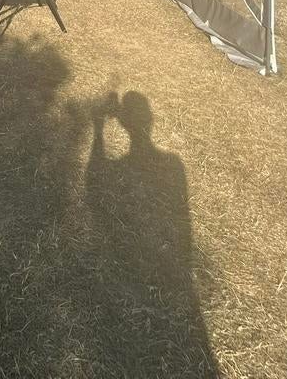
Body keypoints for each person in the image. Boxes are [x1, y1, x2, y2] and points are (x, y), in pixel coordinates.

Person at [86, 91, 220, 377]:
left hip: (141, 280)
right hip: (174, 281)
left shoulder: (168, 166)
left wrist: (98, 130)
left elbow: (94, 185)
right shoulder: (173, 165)